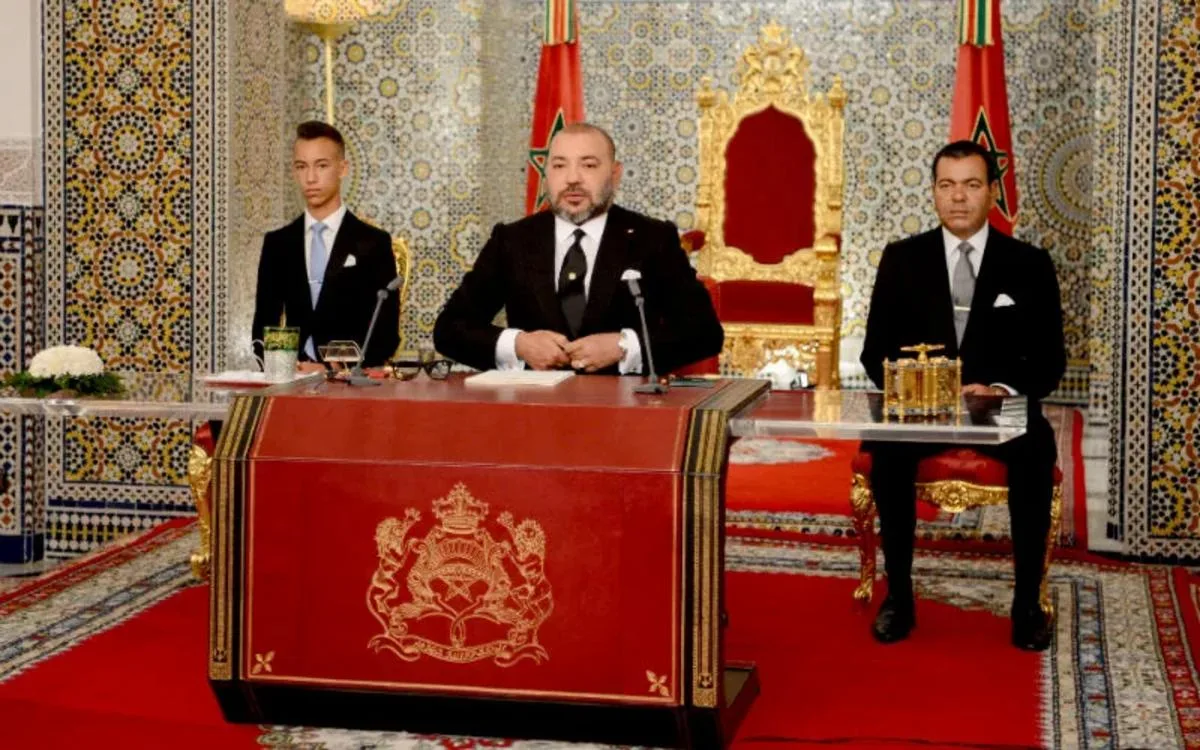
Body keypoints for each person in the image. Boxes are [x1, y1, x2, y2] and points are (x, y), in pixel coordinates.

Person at [860, 140, 1066, 651]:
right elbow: (873, 354)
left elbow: (1049, 361)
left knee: (1035, 451)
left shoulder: (1030, 264)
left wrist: (997, 390)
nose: (958, 197)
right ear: (933, 191)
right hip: (924, 409)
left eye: (971, 185)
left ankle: (1027, 606)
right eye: (947, 185)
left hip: (1001, 407)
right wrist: (930, 388)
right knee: (885, 451)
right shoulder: (901, 259)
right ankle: (899, 598)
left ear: (992, 192)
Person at [433, 123, 722, 375]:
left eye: (589, 165)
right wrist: (519, 345)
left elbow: (703, 333)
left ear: (615, 174)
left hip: (626, 406)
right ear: (546, 173)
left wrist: (623, 346)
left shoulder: (653, 238)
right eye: (559, 165)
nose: (572, 178)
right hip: (533, 405)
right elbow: (450, 329)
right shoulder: (512, 240)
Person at [252, 121, 400, 369]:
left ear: (342, 169)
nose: (310, 178)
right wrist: (285, 370)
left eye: (321, 166)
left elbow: (385, 334)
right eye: (302, 167)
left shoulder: (373, 243)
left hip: (349, 383)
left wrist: (333, 369)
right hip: (292, 380)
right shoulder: (278, 243)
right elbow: (263, 327)